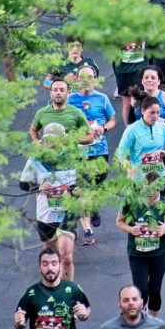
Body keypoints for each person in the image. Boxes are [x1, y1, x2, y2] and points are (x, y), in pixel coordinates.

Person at [20, 124, 83, 282]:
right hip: (46, 215)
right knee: (50, 259)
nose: (52, 144)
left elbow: (85, 183)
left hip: (68, 212)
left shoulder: (73, 157)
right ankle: (53, 288)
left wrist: (77, 191)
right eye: (49, 140)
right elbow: (22, 184)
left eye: (56, 140)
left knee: (66, 256)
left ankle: (67, 291)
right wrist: (39, 186)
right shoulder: (35, 160)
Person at [117, 175, 165, 317]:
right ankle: (140, 318)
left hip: (159, 253)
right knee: (141, 290)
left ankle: (152, 321)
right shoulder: (131, 202)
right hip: (137, 253)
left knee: (155, 291)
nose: (151, 194)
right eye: (148, 190)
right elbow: (119, 221)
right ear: (142, 187)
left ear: (160, 188)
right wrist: (130, 229)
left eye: (155, 190)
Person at [69, 69, 117, 245]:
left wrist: (104, 128)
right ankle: (87, 231)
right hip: (78, 152)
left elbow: (113, 120)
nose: (86, 80)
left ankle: (95, 207)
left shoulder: (102, 98)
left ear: (95, 80)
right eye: (83, 77)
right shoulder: (71, 100)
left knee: (96, 187)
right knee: (81, 190)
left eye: (90, 77)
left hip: (99, 150)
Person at [115, 95, 165, 188]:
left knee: (161, 202)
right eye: (152, 112)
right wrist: (128, 168)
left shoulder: (163, 127)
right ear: (143, 111)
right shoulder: (132, 130)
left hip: (159, 178)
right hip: (138, 180)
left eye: (158, 112)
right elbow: (121, 153)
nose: (155, 116)